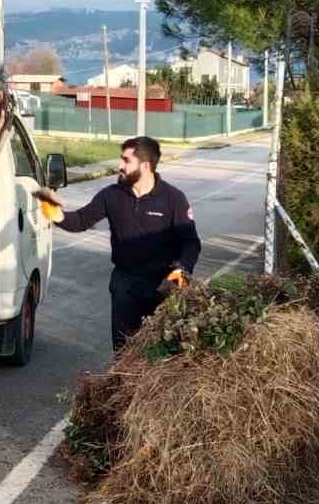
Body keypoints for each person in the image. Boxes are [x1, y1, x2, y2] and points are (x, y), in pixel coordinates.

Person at [35, 136, 201, 352]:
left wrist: (183, 269)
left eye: (125, 160)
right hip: (125, 285)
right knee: (124, 352)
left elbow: (191, 242)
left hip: (163, 286)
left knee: (162, 353)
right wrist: (56, 215)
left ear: (145, 166)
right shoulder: (111, 195)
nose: (119, 166)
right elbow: (81, 220)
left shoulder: (173, 198)